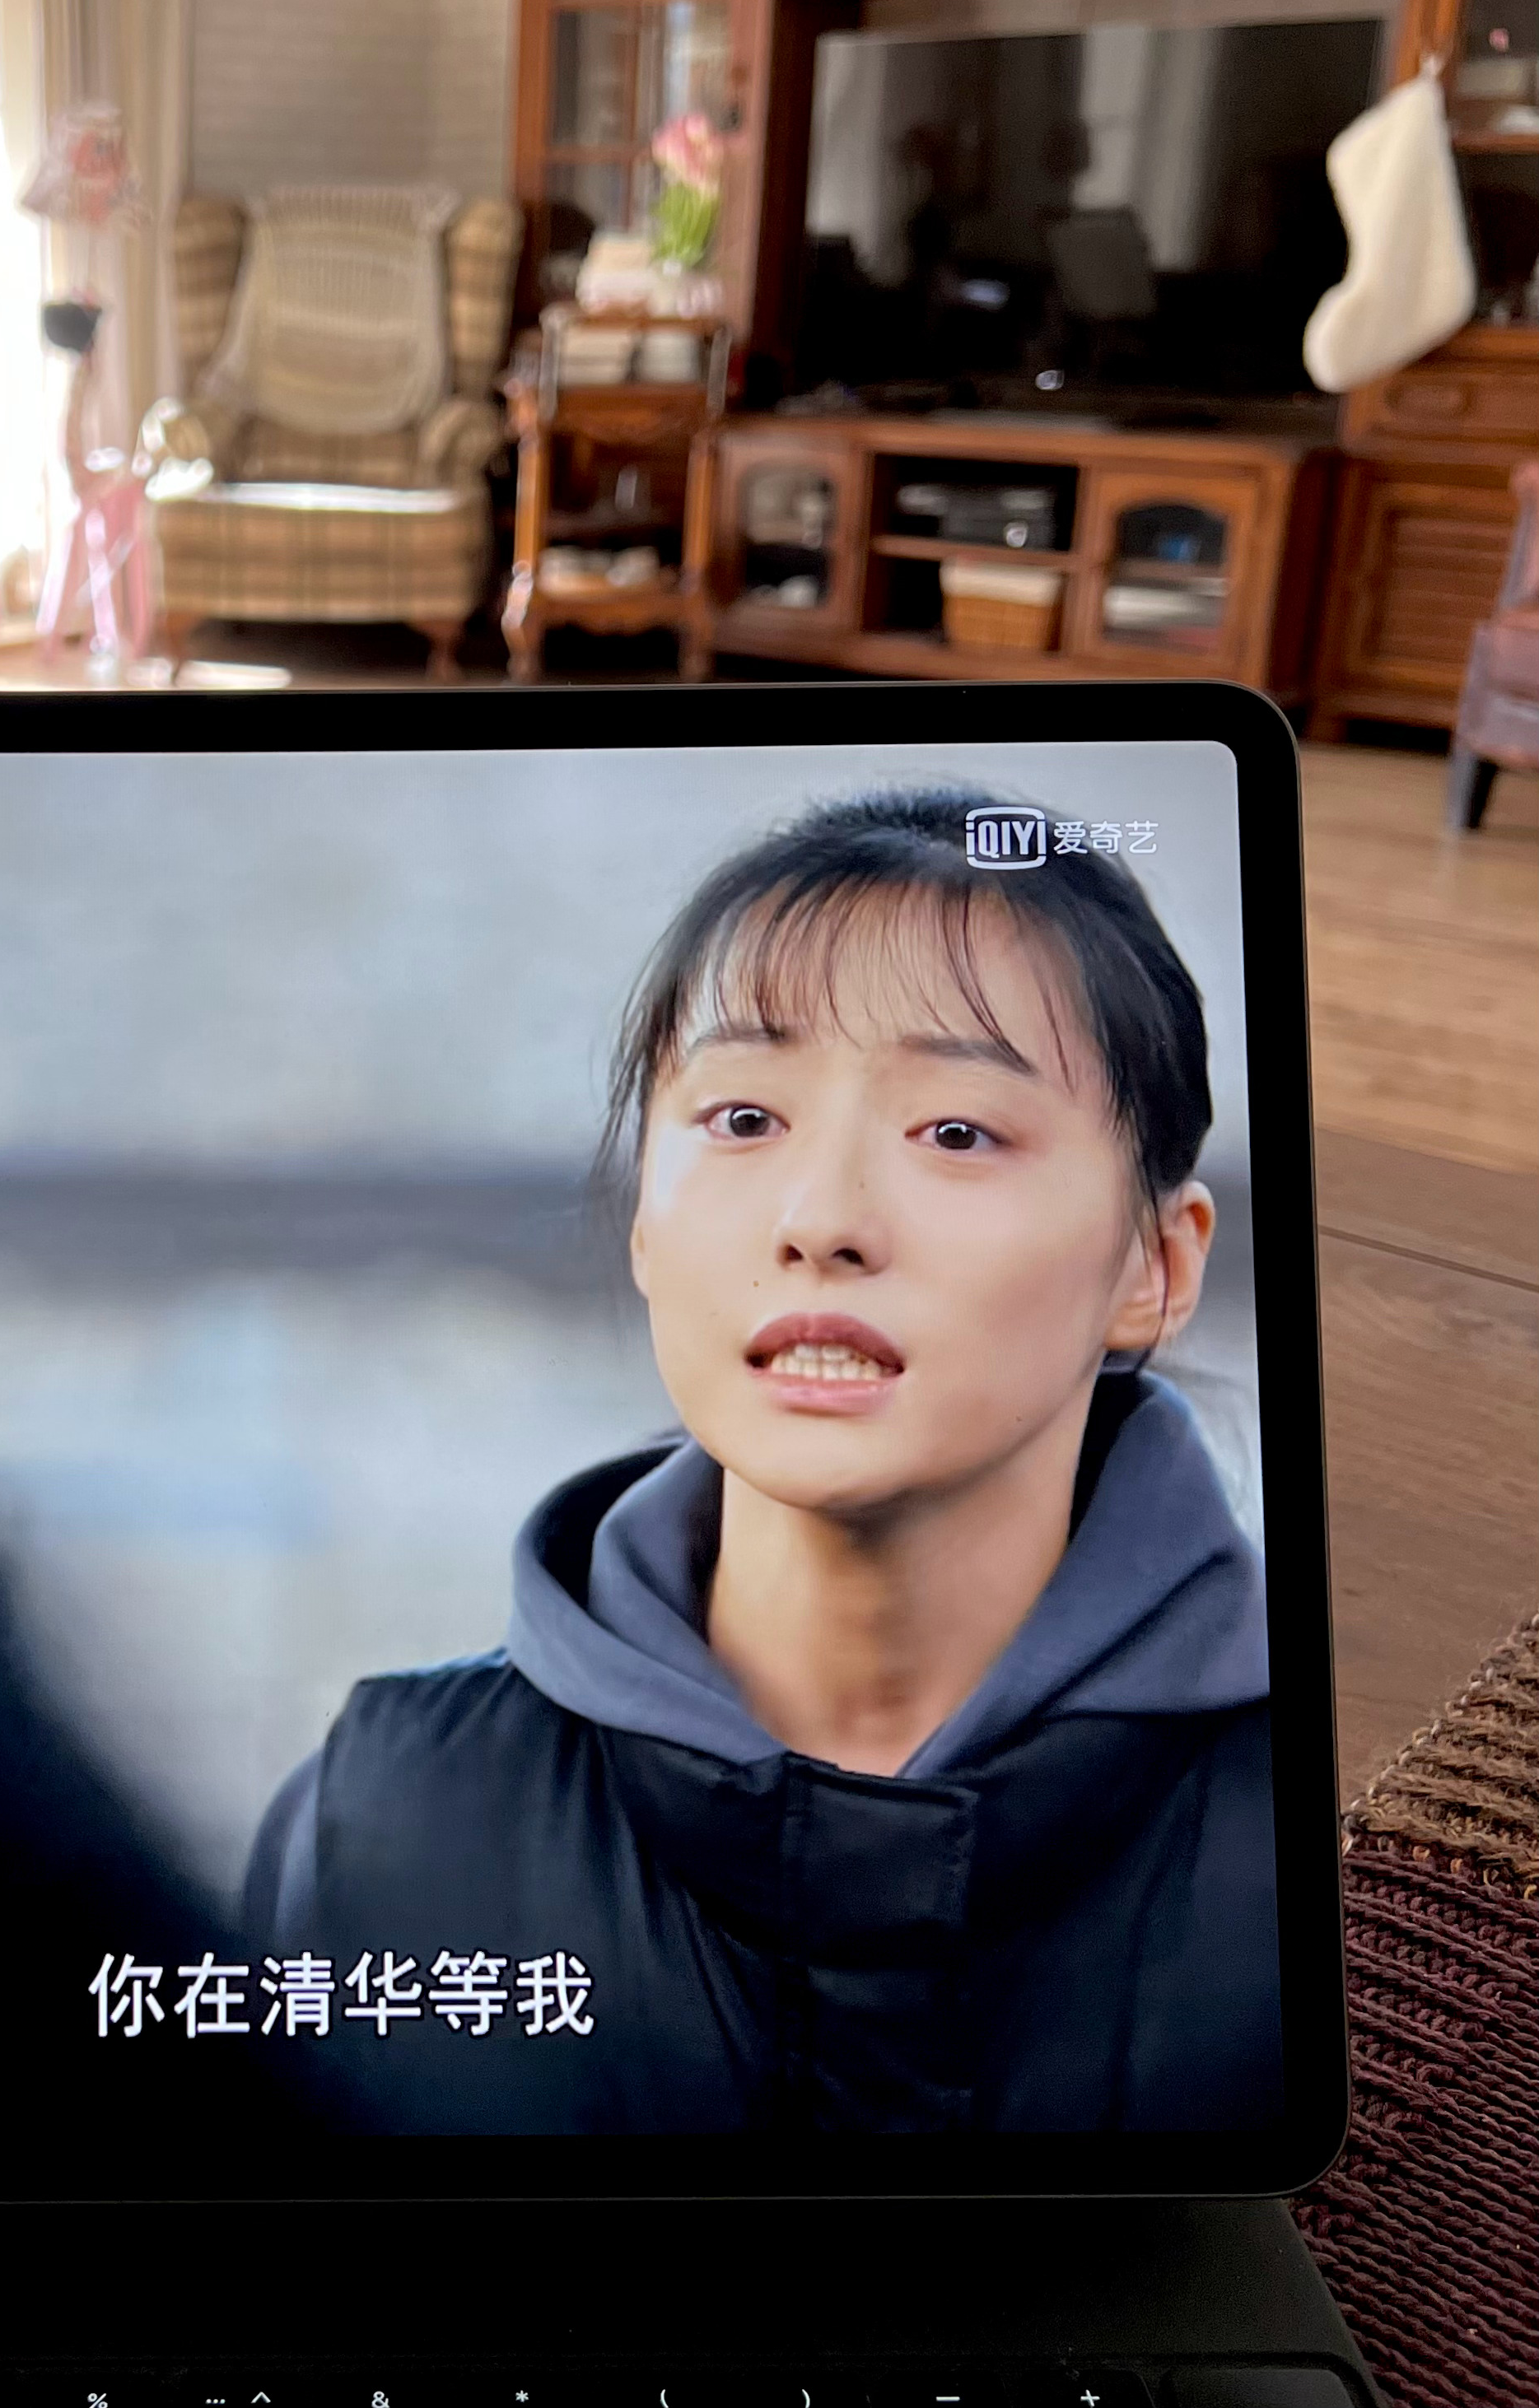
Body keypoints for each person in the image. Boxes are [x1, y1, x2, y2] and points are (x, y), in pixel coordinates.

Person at [243, 784, 1278, 2136]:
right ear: (642, 1222)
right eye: (741, 1119)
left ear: (1155, 1265)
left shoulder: (1322, 1829)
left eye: (955, 1131)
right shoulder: (384, 1811)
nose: (819, 1217)